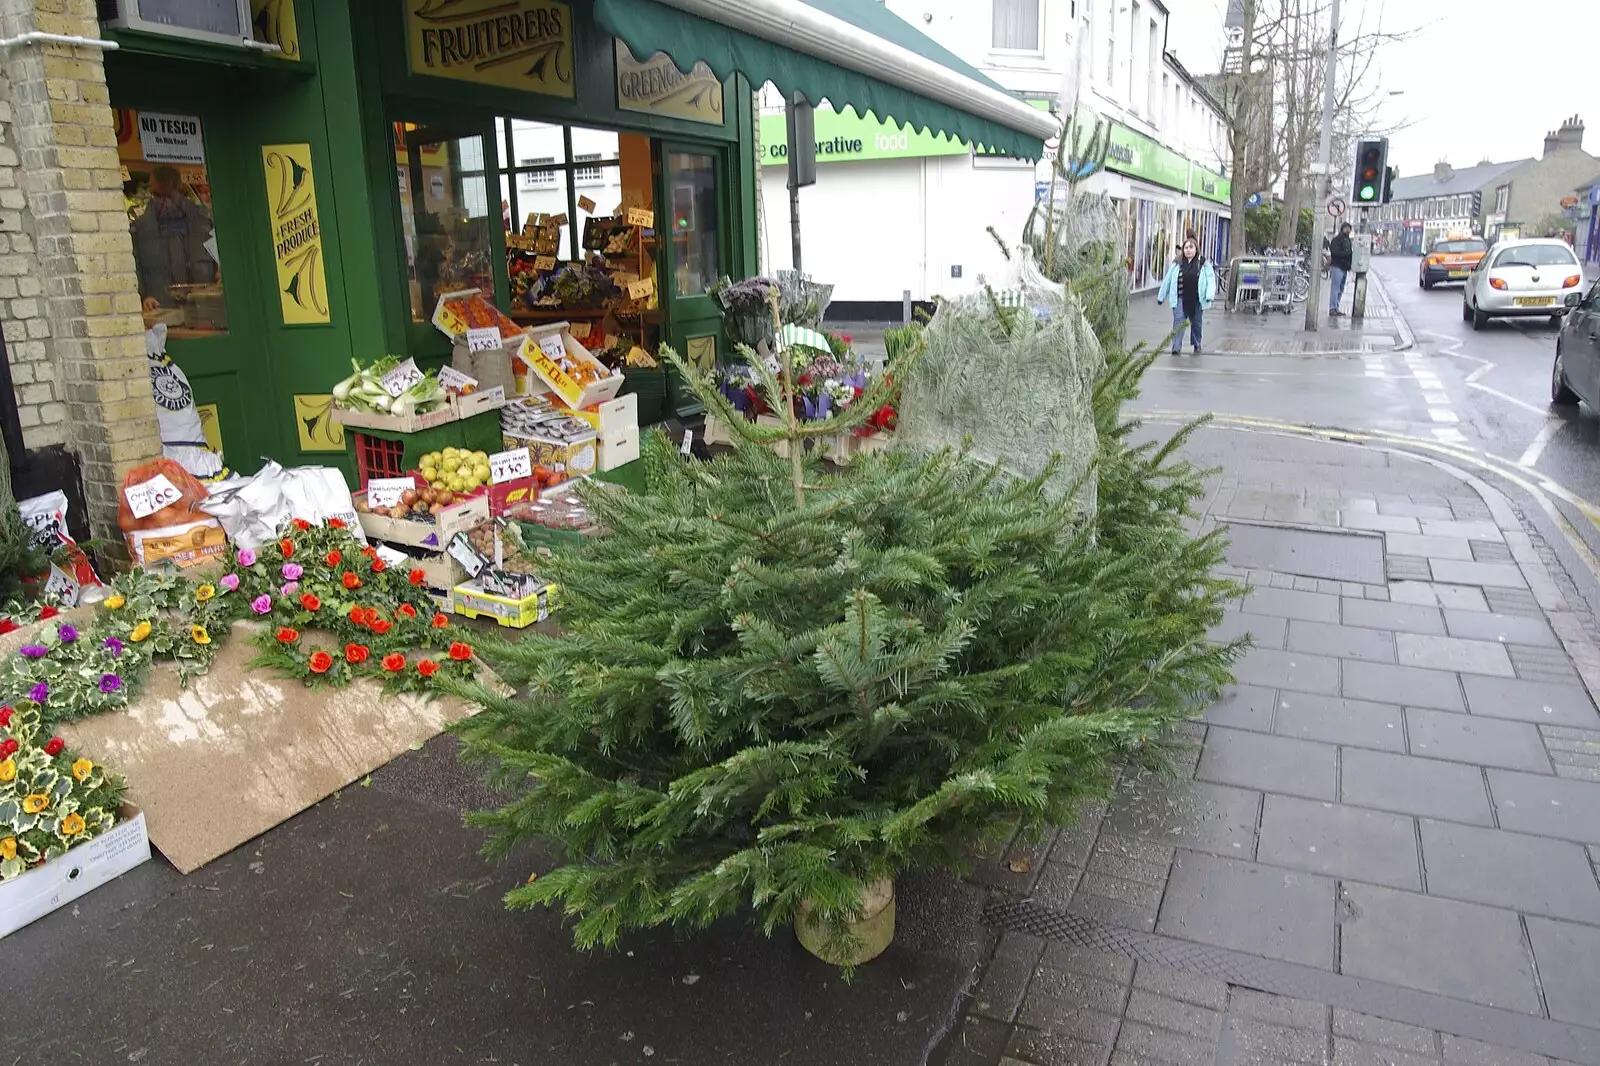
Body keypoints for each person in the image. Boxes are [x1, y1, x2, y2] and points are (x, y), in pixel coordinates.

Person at [132, 165, 217, 312]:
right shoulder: (140, 229)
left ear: (179, 189)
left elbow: (220, 258)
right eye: (158, 195)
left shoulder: (204, 221)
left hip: (204, 304)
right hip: (161, 306)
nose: (165, 203)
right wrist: (143, 296)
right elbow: (135, 265)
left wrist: (219, 274)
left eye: (169, 195)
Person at [1156, 236, 1216, 355]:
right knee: (1179, 322)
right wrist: (1161, 297)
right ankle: (1176, 347)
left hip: (1197, 300)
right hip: (1180, 299)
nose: (1188, 250)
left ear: (1196, 249)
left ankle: (1197, 343)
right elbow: (1168, 280)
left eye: (1191, 247)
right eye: (1186, 248)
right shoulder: (1177, 263)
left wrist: (1209, 295)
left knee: (1197, 323)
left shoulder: (1203, 263)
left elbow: (1211, 279)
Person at [1328, 222, 1354, 316]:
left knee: (1340, 289)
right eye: (1347, 229)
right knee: (1335, 288)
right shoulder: (1337, 240)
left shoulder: (1348, 240)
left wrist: (1350, 265)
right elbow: (1334, 253)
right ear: (1342, 229)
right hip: (1337, 266)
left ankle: (1336, 307)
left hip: (1344, 268)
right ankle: (1332, 308)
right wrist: (1346, 254)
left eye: (1349, 229)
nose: (1348, 231)